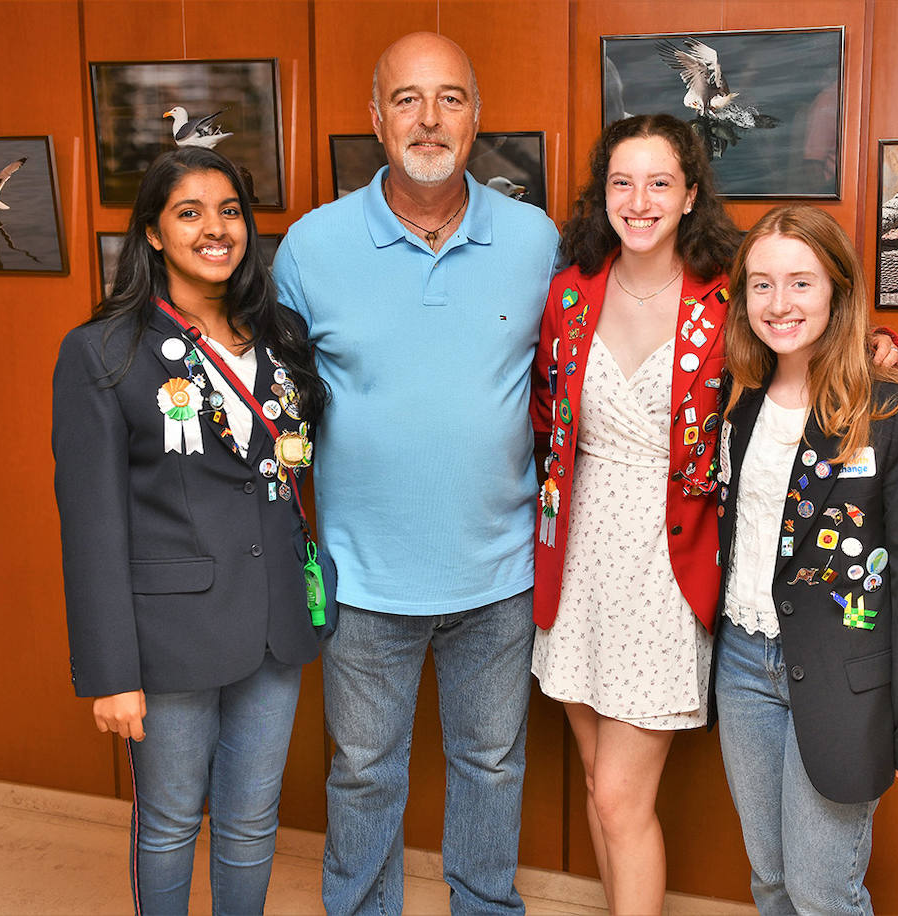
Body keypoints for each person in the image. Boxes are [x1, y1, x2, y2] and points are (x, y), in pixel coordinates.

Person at [530, 116, 898, 914]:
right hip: (575, 557)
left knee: (620, 798)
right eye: (621, 183)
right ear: (602, 195)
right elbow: (544, 412)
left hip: (669, 560)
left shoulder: (723, 293)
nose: (639, 202)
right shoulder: (571, 293)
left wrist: (881, 345)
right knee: (602, 785)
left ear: (691, 194)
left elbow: (805, 318)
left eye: (660, 182)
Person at [271, 32, 559, 914]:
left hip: (498, 572)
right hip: (362, 579)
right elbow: (262, 397)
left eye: (450, 99)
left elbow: (615, 339)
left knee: (491, 765)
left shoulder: (534, 239)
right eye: (407, 99)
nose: (429, 120)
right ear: (375, 119)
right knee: (362, 774)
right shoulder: (311, 247)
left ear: (476, 118)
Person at [52, 146, 329, 915]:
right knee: (172, 823)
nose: (217, 229)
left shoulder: (280, 337)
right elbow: (92, 525)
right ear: (151, 233)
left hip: (275, 622)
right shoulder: (103, 351)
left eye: (230, 210)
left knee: (250, 824)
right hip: (168, 635)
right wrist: (111, 670)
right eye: (190, 212)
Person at [714, 204, 898, 914]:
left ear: (838, 292)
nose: (779, 303)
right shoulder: (740, 401)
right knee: (770, 879)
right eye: (761, 285)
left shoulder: (894, 410)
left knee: (823, 890)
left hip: (845, 677)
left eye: (801, 283)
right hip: (742, 664)